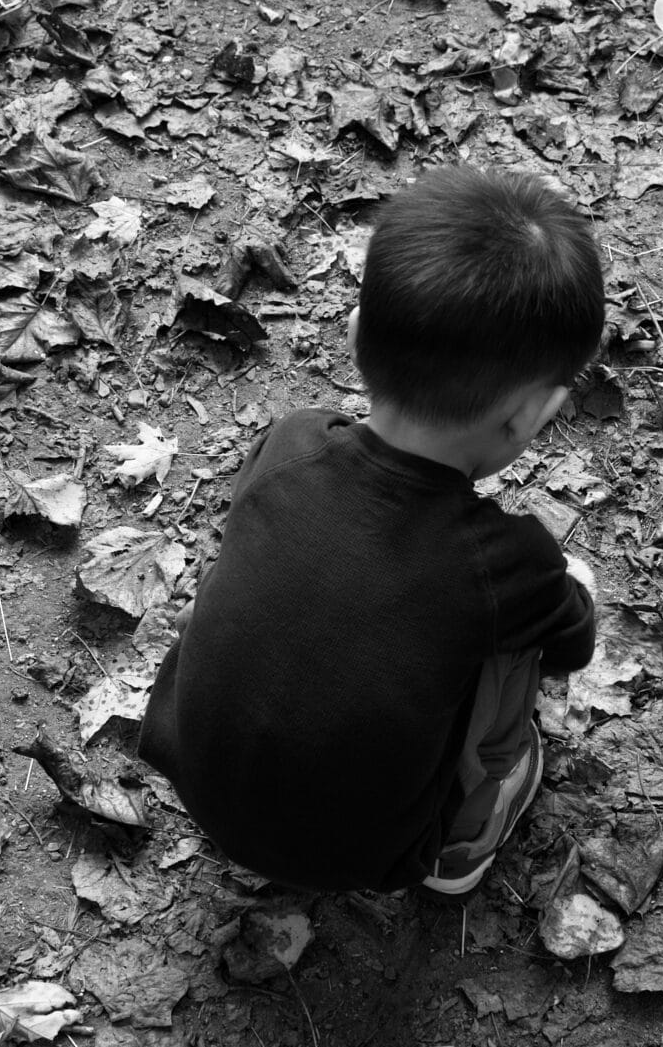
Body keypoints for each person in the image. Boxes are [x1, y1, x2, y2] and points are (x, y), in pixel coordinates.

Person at [139, 167, 603, 895]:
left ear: (355, 337)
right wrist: (563, 588)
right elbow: (572, 645)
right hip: (367, 858)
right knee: (519, 638)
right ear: (532, 415)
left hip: (197, 782)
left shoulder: (293, 442)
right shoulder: (504, 561)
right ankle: (464, 842)